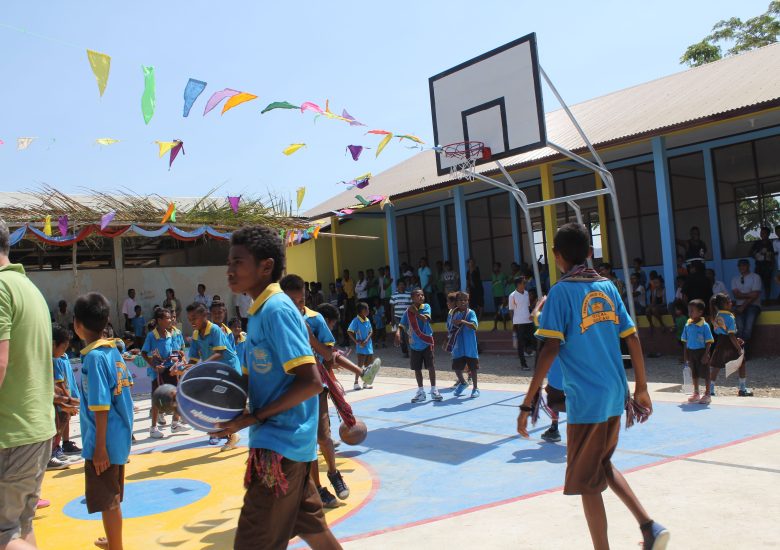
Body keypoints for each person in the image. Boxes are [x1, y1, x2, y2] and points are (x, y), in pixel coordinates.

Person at [517, 222, 667, 550]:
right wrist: (641, 387)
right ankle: (648, 526)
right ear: (589, 253)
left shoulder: (560, 292)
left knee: (587, 484)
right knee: (601, 465)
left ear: (556, 256)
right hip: (616, 394)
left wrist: (528, 401)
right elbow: (632, 336)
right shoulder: (608, 288)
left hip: (587, 400)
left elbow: (550, 349)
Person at [213, 225, 342, 550]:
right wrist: (197, 394)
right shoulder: (257, 314)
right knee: (316, 533)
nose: (229, 270)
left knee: (251, 543)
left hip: (279, 449)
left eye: (237, 262)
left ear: (266, 266)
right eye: (229, 262)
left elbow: (311, 381)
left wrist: (255, 417)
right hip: (287, 446)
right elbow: (252, 379)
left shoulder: (276, 310)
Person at [280, 276, 353, 510]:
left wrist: (310, 338)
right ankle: (318, 487)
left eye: (300, 299)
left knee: (323, 436)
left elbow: (329, 355)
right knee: (306, 442)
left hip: (316, 386)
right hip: (291, 390)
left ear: (305, 296)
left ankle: (333, 473)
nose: (296, 304)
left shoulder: (316, 319)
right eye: (290, 300)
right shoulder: (279, 322)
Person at [74, 292, 134, 550]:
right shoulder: (112, 350)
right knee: (113, 496)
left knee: (108, 501)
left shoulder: (95, 359)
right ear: (107, 320)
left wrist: (99, 448)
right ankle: (113, 539)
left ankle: (116, 547)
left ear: (76, 324)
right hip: (118, 436)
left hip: (105, 441)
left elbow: (100, 407)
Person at [186, 302, 242, 449]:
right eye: (189, 319)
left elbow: (220, 353)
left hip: (229, 369)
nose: (191, 322)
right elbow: (193, 358)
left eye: (194, 318)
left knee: (222, 403)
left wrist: (200, 366)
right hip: (214, 370)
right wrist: (184, 367)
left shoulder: (216, 330)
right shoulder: (196, 334)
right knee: (215, 402)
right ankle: (224, 432)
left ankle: (232, 434)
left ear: (205, 316)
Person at [142, 308, 187, 440]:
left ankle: (174, 423)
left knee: (178, 394)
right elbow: (144, 353)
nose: (170, 320)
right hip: (158, 372)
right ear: (159, 321)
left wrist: (176, 359)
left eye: (170, 317)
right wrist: (154, 366)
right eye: (167, 318)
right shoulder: (151, 336)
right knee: (156, 398)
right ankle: (153, 428)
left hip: (170, 369)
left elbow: (173, 351)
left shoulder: (170, 334)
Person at [396, 289, 441, 403]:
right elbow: (402, 324)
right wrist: (397, 332)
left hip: (426, 342)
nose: (421, 297)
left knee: (431, 366)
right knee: (417, 369)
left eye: (422, 295)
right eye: (418, 295)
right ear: (412, 298)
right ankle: (421, 391)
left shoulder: (426, 307)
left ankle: (434, 389)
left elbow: (425, 319)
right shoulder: (408, 311)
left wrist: (415, 311)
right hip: (414, 344)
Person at [706, 293, 751, 401]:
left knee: (716, 365)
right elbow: (730, 335)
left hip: (721, 341)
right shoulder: (730, 317)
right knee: (741, 363)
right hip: (729, 342)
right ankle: (742, 388)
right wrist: (738, 348)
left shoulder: (717, 316)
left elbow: (721, 332)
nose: (731, 302)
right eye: (729, 301)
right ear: (724, 304)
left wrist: (735, 339)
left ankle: (710, 390)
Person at [51, 324, 82, 467]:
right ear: (53, 344)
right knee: (58, 422)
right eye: (63, 347)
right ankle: (53, 451)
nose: (65, 350)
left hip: (60, 397)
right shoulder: (53, 360)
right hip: (54, 400)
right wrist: (67, 400)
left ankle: (57, 448)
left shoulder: (62, 357)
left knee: (63, 419)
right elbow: (58, 383)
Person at [447, 291, 480, 398]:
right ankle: (463, 383)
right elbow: (449, 328)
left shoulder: (471, 313)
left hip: (470, 346)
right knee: (457, 368)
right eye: (461, 300)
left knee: (473, 369)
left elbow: (475, 326)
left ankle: (475, 388)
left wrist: (463, 322)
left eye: (465, 300)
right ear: (456, 302)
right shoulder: (452, 314)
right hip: (458, 346)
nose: (463, 302)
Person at [680, 299, 714, 403]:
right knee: (694, 373)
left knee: (706, 374)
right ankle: (696, 393)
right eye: (689, 310)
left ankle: (708, 394)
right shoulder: (687, 324)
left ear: (700, 312)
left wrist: (706, 354)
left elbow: (709, 341)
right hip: (691, 352)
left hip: (702, 352)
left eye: (692, 311)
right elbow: (685, 341)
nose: (689, 313)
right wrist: (685, 355)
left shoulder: (705, 325)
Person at [730, 259, 762, 358]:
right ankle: (741, 353)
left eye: (744, 265)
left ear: (748, 266)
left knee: (747, 330)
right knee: (739, 329)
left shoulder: (755, 277)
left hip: (753, 306)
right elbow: (736, 295)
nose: (741, 267)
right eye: (740, 266)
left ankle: (744, 354)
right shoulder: (735, 279)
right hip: (739, 307)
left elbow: (755, 295)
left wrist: (743, 302)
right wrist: (749, 295)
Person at [508, 277, 533, 371]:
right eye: (523, 282)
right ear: (518, 284)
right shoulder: (512, 296)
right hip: (519, 322)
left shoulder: (526, 293)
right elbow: (511, 310)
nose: (525, 284)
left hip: (529, 321)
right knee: (521, 344)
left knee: (532, 339)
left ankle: (529, 352)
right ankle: (524, 364)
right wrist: (513, 323)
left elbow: (527, 307)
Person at [348, 302, 374, 391]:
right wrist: (356, 342)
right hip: (361, 346)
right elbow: (349, 331)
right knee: (360, 365)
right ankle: (356, 382)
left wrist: (367, 340)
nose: (367, 311)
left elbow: (371, 331)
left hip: (369, 345)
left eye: (368, 309)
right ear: (360, 311)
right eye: (365, 309)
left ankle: (365, 382)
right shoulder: (356, 320)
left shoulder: (368, 320)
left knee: (368, 364)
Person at [749, 226, 775, 301]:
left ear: (768, 234)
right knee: (756, 284)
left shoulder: (771, 243)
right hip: (759, 266)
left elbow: (773, 256)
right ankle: (755, 300)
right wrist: (757, 255)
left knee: (767, 284)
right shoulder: (757, 243)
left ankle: (767, 300)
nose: (762, 234)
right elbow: (750, 253)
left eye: (764, 233)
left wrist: (772, 266)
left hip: (768, 267)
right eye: (761, 233)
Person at [390, 280, 412, 357]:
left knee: (410, 334)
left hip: (408, 318)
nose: (402, 286)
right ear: (397, 286)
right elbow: (392, 309)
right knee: (401, 336)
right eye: (400, 285)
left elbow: (412, 307)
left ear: (405, 286)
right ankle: (405, 352)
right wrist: (392, 320)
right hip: (398, 318)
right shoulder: (394, 295)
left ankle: (414, 350)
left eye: (403, 284)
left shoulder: (409, 294)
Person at [491, 262, 508, 331]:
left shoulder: (502, 274)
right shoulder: (492, 275)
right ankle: (495, 327)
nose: (495, 268)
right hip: (495, 295)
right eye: (494, 266)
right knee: (496, 311)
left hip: (502, 295)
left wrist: (504, 288)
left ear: (499, 267)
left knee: (502, 310)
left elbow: (507, 280)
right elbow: (493, 283)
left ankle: (504, 327)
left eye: (496, 266)